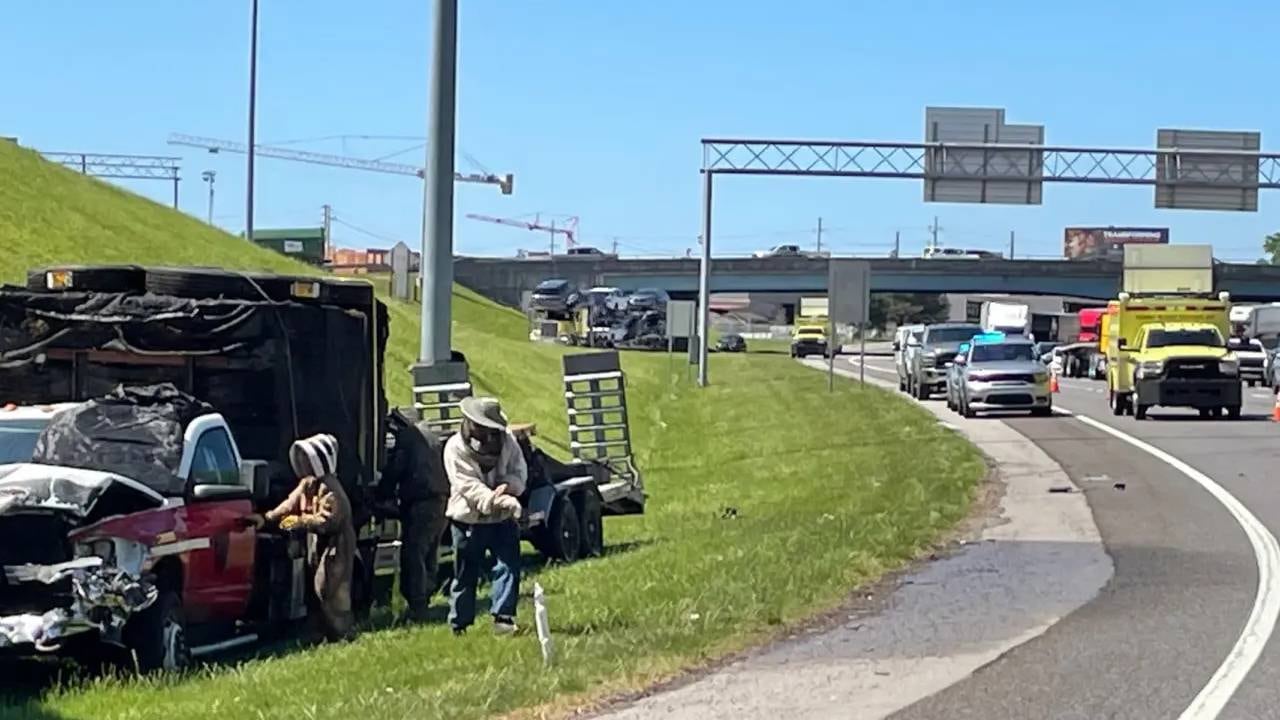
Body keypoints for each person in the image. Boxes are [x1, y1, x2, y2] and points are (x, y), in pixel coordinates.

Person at [248, 433, 357, 642]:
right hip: (318, 544)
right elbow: (290, 504)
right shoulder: (307, 484)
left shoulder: (331, 489)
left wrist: (299, 522)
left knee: (331, 590)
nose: (303, 464)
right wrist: (266, 518)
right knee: (314, 591)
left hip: (337, 546)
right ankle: (322, 635)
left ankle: (344, 635)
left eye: (307, 459)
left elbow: (328, 522)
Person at [444, 396, 526, 635]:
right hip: (468, 519)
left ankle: (503, 618)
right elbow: (466, 485)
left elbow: (519, 471)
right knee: (465, 573)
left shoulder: (508, 441)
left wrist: (510, 486)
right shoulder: (455, 448)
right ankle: (459, 624)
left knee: (508, 566)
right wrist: (495, 500)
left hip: (502, 519)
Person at [378, 408, 450, 623]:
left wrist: (381, 492)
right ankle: (425, 598)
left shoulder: (408, 438)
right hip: (442, 500)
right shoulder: (433, 434)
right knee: (430, 553)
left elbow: (396, 471)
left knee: (414, 554)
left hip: (421, 502)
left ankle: (418, 606)